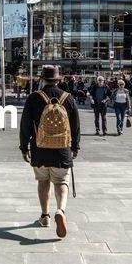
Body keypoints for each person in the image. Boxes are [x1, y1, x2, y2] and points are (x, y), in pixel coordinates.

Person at [19, 65, 80, 237]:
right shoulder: (68, 98)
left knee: (43, 181)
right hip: (62, 150)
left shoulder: (34, 98)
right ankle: (60, 210)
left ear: (41, 79)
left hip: (40, 149)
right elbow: (75, 126)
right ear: (58, 79)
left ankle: (45, 216)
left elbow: (25, 125)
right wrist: (75, 148)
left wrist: (24, 148)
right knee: (61, 182)